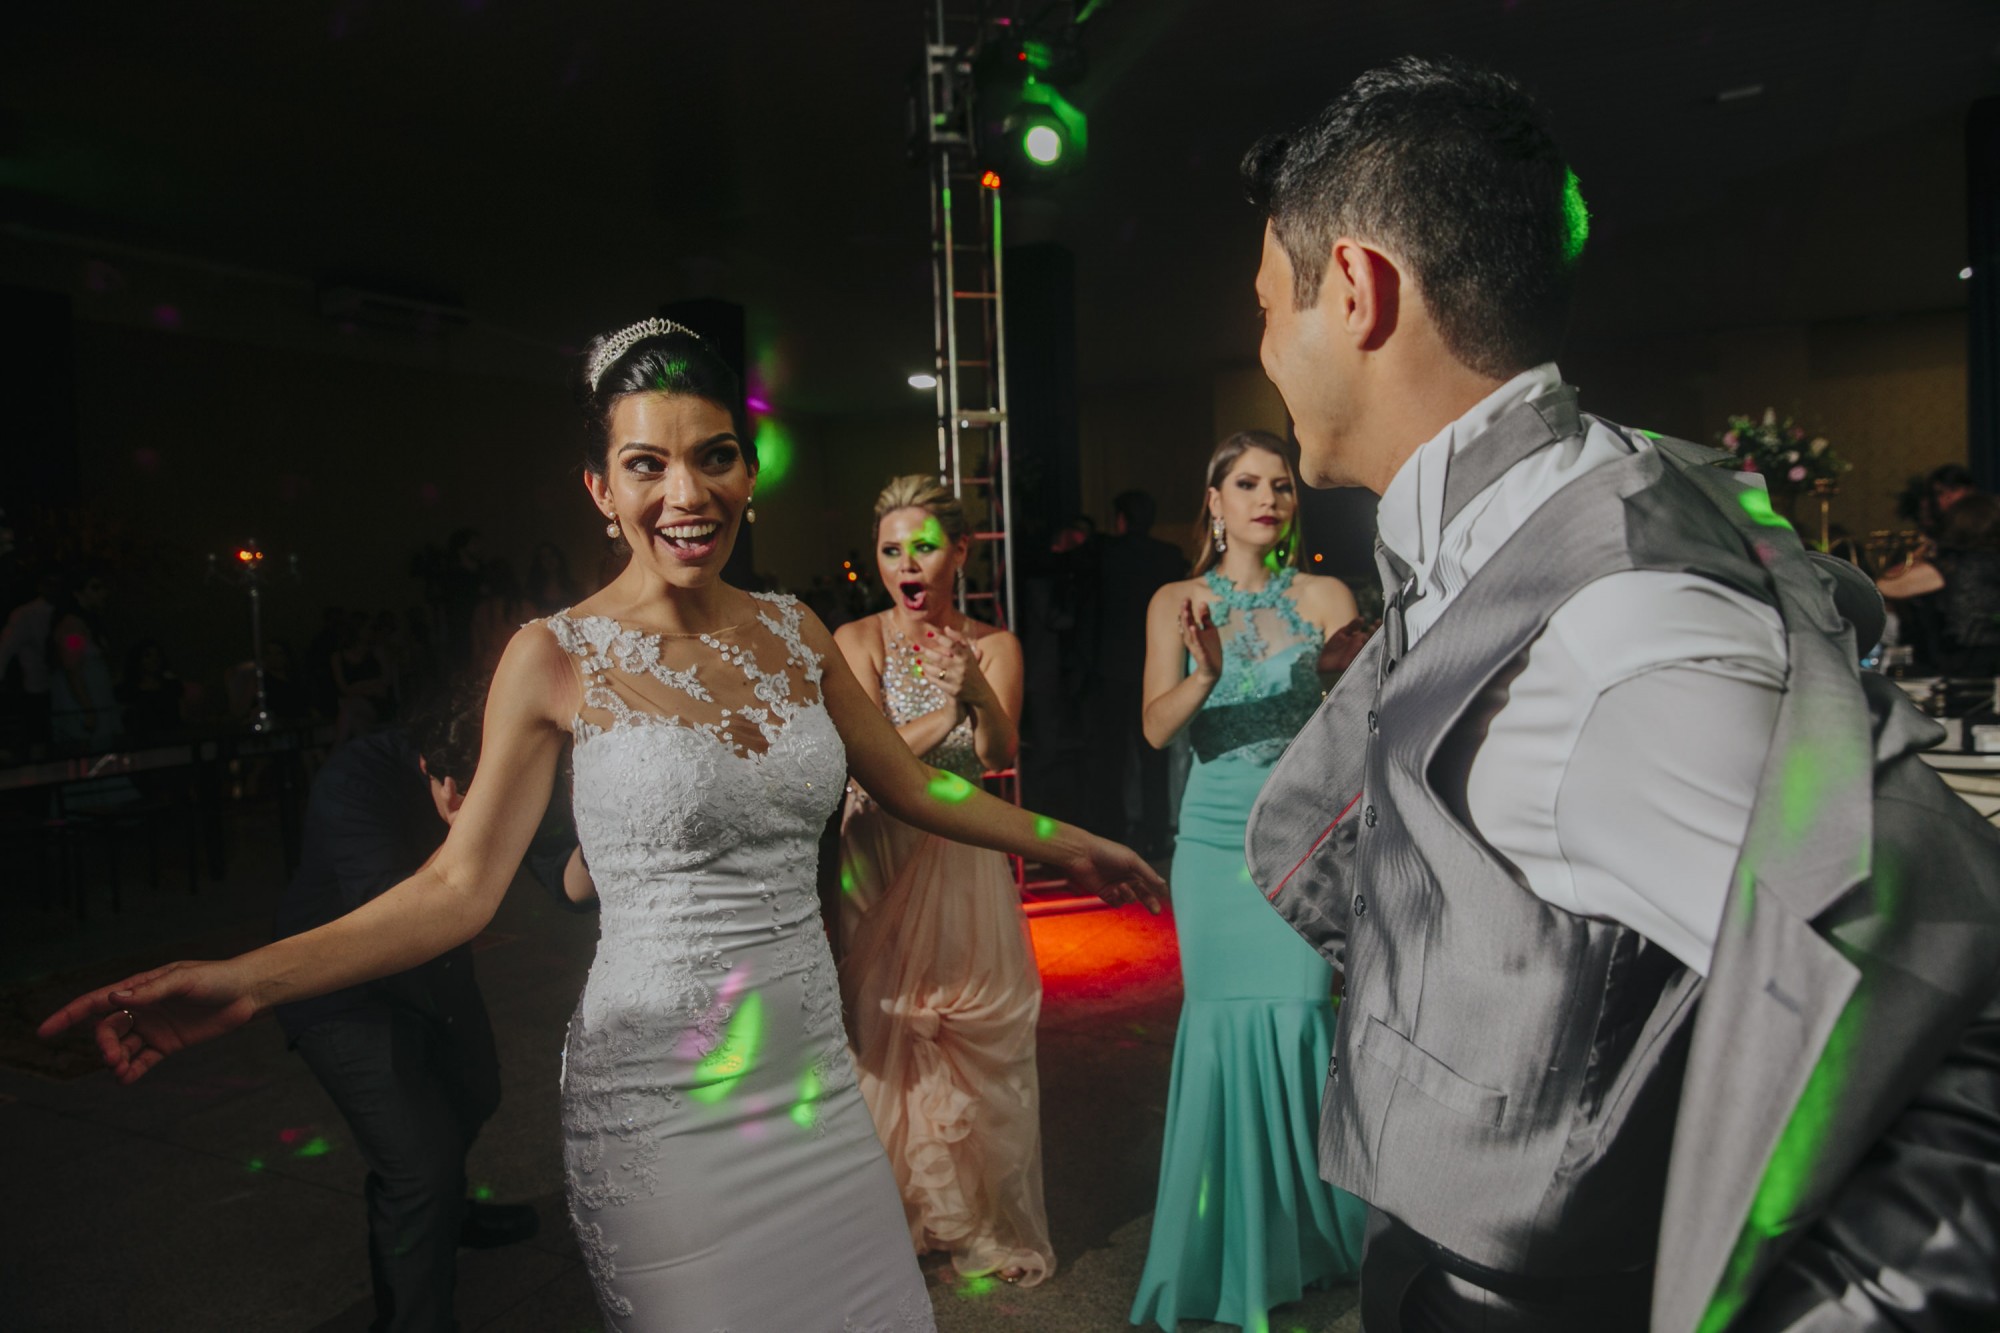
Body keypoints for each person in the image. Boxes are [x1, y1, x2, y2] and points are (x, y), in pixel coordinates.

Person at [39, 317, 1164, 1333]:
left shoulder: (792, 631)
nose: (688, 492)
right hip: (660, 1107)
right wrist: (248, 980)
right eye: (648, 464)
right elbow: (453, 888)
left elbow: (918, 788)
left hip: (815, 1090)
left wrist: (1068, 842)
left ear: (749, 470)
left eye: (715, 454)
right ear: (599, 489)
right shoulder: (550, 657)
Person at [1239, 56, 2000, 1332]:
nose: (1259, 347)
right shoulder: (1551, 504)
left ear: (1357, 292)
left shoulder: (1609, 645)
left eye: (1266, 306)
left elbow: (1956, 986)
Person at [1128, 431, 1366, 1332]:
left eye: (1281, 485)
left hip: (1299, 839)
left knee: (1305, 1015)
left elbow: (1351, 728)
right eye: (1248, 483)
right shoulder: (1176, 601)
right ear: (1215, 500)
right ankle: (1234, 1245)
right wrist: (1209, 675)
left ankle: (1311, 1228)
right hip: (1214, 841)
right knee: (1226, 1031)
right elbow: (1156, 728)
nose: (1268, 497)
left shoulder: (1327, 596)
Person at [833, 475, 1054, 1288]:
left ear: (959, 551)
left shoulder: (995, 645)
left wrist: (976, 693)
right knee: (883, 1026)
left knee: (961, 1034)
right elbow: (870, 755)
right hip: (877, 853)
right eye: (891, 549)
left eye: (921, 546)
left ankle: (964, 1216)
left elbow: (997, 753)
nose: (904, 562)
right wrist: (946, 713)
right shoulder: (855, 639)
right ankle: (890, 1211)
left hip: (959, 855)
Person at [272, 673, 538, 1332]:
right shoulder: (352, 784)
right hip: (342, 983)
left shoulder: (498, 767)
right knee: (418, 1167)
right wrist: (467, 839)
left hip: (435, 965)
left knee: (477, 1090)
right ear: (440, 778)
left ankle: (451, 1210)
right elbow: (388, 922)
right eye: (473, 799)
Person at [1090, 489, 1188, 856]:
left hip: (1113, 668)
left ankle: (1113, 831)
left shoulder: (1107, 553)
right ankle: (1156, 832)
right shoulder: (1170, 557)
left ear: (1121, 519)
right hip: (1157, 665)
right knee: (1154, 755)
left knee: (1112, 756)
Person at [1876, 491, 2000, 676]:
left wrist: (1920, 553)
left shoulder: (1953, 565)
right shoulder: (1987, 562)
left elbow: (1886, 585)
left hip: (1958, 668)